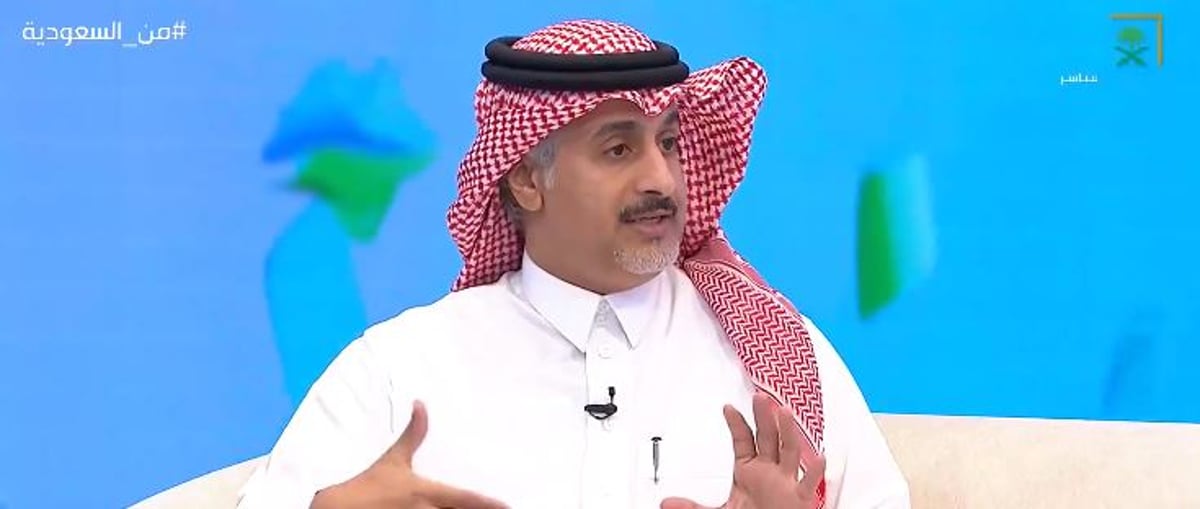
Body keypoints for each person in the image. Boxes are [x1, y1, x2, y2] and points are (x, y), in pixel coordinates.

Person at [236, 19, 910, 509]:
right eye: (619, 150)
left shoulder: (775, 356)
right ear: (527, 179)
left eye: (669, 144)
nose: (662, 179)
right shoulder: (401, 369)